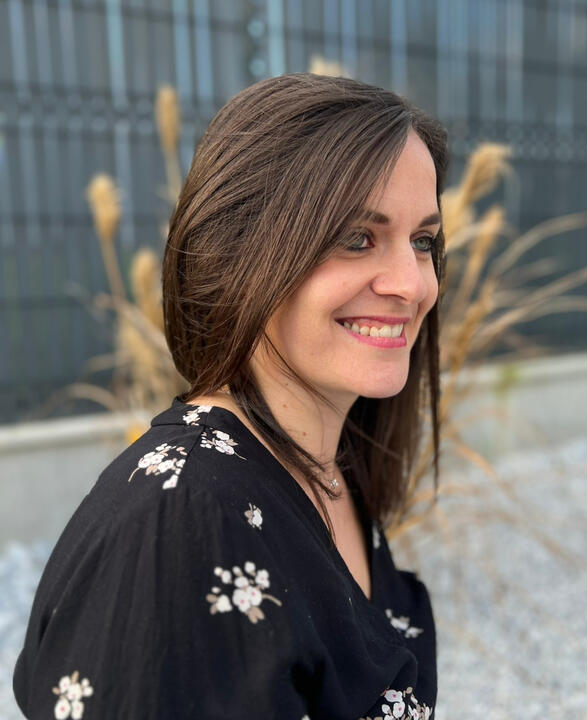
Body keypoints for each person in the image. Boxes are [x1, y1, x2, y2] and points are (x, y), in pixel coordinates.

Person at [13, 72, 448, 719]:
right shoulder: (180, 525)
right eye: (358, 238)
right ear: (243, 254)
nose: (411, 283)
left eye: (423, 241)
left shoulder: (328, 469)